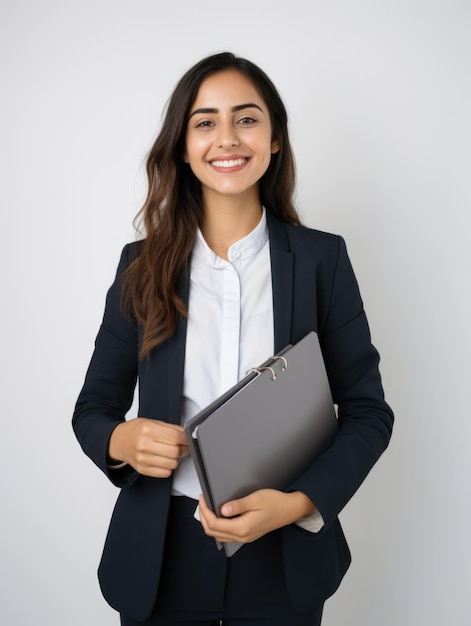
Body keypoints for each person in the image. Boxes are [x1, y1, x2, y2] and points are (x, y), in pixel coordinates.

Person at [73, 52, 394, 626]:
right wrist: (122, 441)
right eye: (205, 122)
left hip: (284, 551)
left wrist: (297, 504)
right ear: (182, 145)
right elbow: (93, 410)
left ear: (274, 139)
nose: (227, 138)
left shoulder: (322, 260)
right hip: (160, 552)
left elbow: (369, 412)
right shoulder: (140, 267)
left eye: (246, 118)